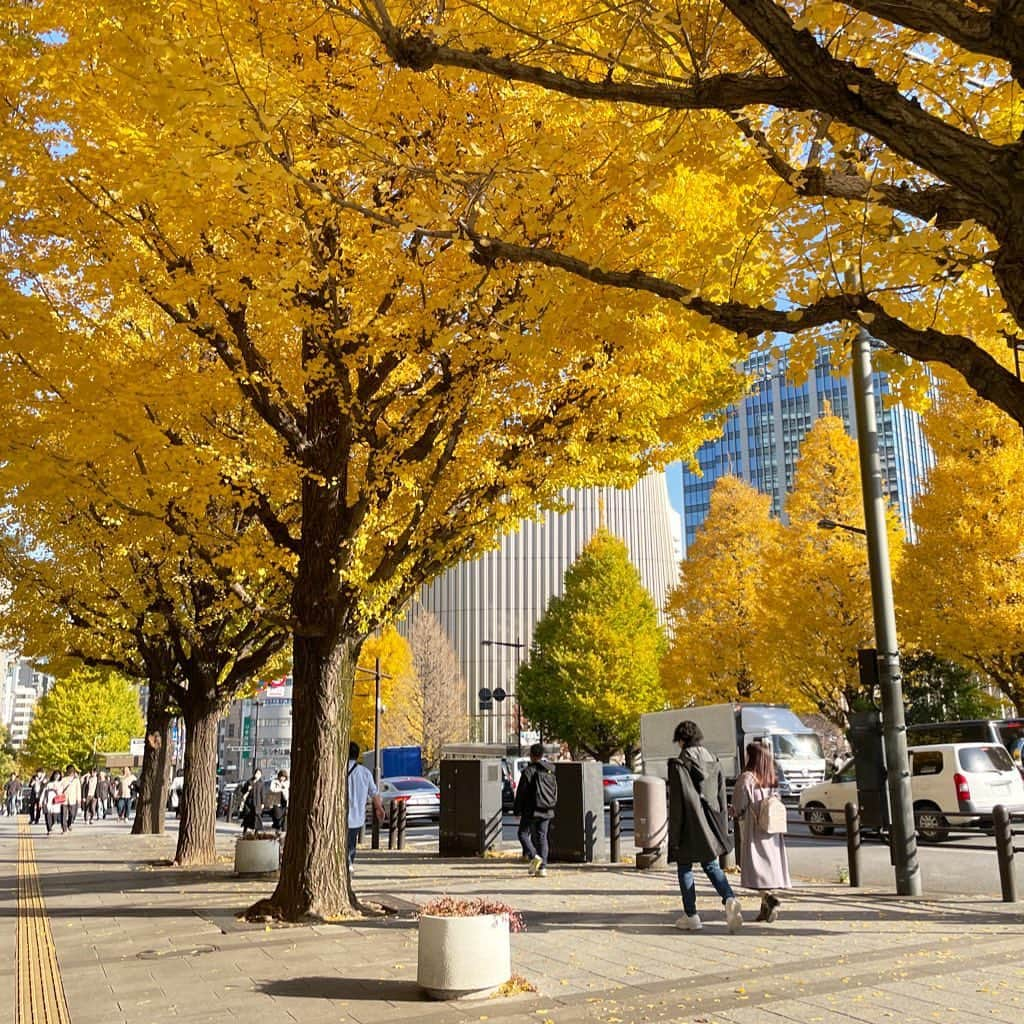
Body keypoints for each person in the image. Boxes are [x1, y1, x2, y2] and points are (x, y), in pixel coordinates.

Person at [667, 720, 743, 932]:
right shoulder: (714, 760)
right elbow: (720, 796)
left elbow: (677, 802)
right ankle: (729, 898)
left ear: (681, 740)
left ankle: (691, 915)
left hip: (688, 825)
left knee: (685, 868)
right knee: (711, 866)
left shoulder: (680, 764)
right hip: (710, 824)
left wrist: (674, 833)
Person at [732, 742, 792, 923]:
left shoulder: (747, 778)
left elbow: (739, 805)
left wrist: (734, 811)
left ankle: (768, 898)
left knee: (756, 869)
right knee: (770, 867)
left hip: (755, 827)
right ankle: (765, 908)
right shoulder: (771, 778)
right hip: (772, 828)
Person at [513, 743, 557, 877]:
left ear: (531, 755)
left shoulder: (529, 771)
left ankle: (534, 857)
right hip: (547, 808)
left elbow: (521, 793)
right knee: (542, 837)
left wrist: (517, 810)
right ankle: (542, 868)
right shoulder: (550, 770)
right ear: (542, 755)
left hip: (531, 810)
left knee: (523, 834)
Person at [346, 742, 384, 865]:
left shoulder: (337, 771)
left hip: (339, 817)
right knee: (351, 844)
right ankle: (349, 866)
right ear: (357, 755)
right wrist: (379, 809)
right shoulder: (365, 773)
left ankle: (345, 866)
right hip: (357, 818)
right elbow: (374, 793)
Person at [240, 769, 265, 835]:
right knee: (247, 816)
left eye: (259, 774)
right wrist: (247, 789)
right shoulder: (249, 781)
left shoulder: (261, 783)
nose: (257, 775)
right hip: (249, 803)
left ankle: (256, 832)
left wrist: (262, 803)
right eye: (256, 773)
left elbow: (262, 794)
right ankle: (244, 831)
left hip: (257, 803)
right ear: (254, 774)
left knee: (257, 817)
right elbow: (243, 790)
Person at [42, 770, 65, 836]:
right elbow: (44, 793)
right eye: (56, 775)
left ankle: (51, 826)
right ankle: (49, 829)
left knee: (54, 817)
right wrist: (41, 801)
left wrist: (56, 790)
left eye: (58, 775)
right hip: (48, 802)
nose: (57, 776)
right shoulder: (49, 784)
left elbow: (60, 793)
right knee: (48, 815)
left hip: (56, 802)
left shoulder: (60, 784)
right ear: (53, 775)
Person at [266, 770, 289, 835]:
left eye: (284, 777)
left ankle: (283, 830)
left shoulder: (287, 783)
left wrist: (283, 789)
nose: (282, 778)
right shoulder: (274, 781)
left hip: (284, 801)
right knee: (277, 815)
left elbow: (287, 791)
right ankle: (277, 828)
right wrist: (280, 788)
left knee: (284, 816)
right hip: (276, 801)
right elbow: (272, 789)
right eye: (281, 776)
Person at [62, 765, 82, 831]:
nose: (70, 772)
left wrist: (78, 799)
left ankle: (69, 823)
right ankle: (64, 828)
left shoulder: (76, 780)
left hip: (73, 799)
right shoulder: (63, 779)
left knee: (72, 814)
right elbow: (60, 788)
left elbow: (78, 790)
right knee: (63, 815)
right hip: (64, 799)